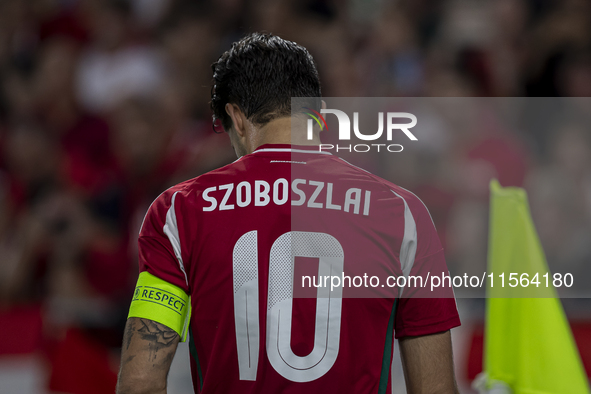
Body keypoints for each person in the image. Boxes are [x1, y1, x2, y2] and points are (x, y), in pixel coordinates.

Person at [116, 33, 461, 394]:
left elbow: (140, 383)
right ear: (320, 113)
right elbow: (434, 388)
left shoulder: (177, 212)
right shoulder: (402, 213)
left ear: (235, 116)